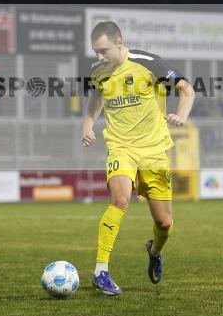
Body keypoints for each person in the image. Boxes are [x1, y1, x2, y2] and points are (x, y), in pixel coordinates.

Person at [81, 21, 195, 296]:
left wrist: (181, 115)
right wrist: (87, 123)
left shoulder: (148, 64)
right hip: (120, 147)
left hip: (154, 151)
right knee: (120, 199)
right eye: (96, 52)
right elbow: (97, 97)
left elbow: (187, 90)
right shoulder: (98, 71)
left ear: (119, 43)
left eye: (104, 50)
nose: (99, 57)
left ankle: (154, 251)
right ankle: (101, 271)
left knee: (164, 223)